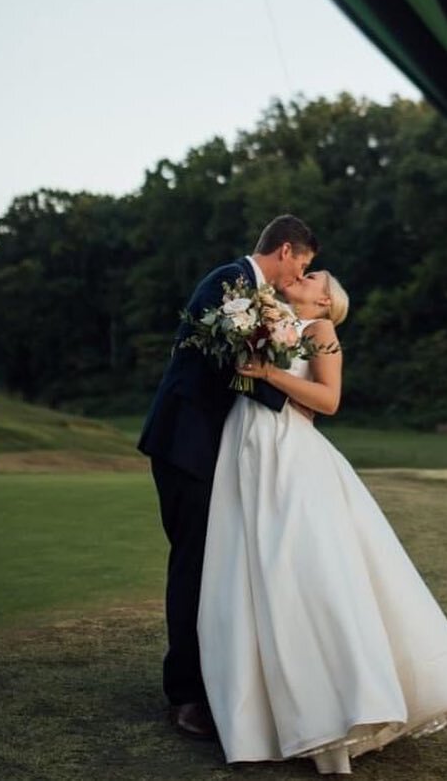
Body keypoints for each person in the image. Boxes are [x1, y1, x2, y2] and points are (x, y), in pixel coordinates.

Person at [197, 269, 447, 774]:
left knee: (298, 572)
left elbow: (328, 401)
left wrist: (267, 373)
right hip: (245, 444)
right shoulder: (265, 317)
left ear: (325, 299)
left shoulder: (321, 332)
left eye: (312, 276)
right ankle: (256, 715)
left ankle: (337, 710)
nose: (301, 276)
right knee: (246, 572)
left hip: (290, 456)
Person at [137, 213, 318, 740]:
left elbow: (248, 362)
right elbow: (230, 362)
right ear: (285, 251)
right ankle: (185, 697)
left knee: (213, 564)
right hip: (184, 444)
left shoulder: (256, 296)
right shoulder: (229, 282)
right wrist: (285, 399)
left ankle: (218, 681)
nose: (300, 276)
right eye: (303, 265)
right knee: (191, 565)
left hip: (212, 447)